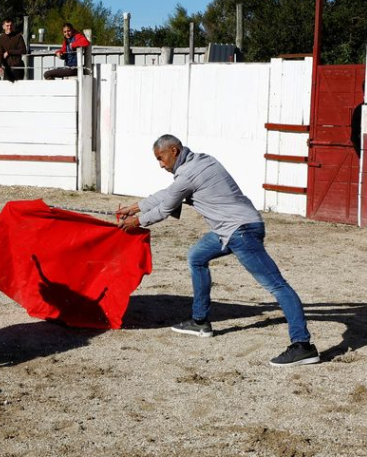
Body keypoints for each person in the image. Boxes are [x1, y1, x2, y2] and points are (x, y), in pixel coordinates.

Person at [116, 134, 319, 368]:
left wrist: (137, 221)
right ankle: (200, 321)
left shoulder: (188, 173)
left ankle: (303, 345)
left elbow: (166, 208)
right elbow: (169, 193)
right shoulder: (200, 161)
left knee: (277, 286)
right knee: (197, 256)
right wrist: (134, 207)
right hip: (233, 229)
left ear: (173, 150)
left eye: (161, 158)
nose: (161, 165)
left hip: (239, 232)